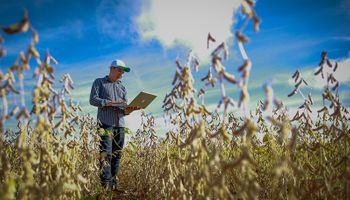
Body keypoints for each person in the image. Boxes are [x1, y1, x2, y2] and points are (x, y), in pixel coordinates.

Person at [89, 59, 140, 190]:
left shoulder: (122, 87)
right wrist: (108, 102)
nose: (121, 74)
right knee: (106, 154)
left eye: (123, 72)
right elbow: (93, 100)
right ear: (112, 68)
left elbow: (124, 109)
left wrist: (130, 109)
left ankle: (114, 185)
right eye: (119, 71)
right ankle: (105, 186)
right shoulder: (99, 82)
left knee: (117, 154)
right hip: (105, 123)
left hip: (120, 124)